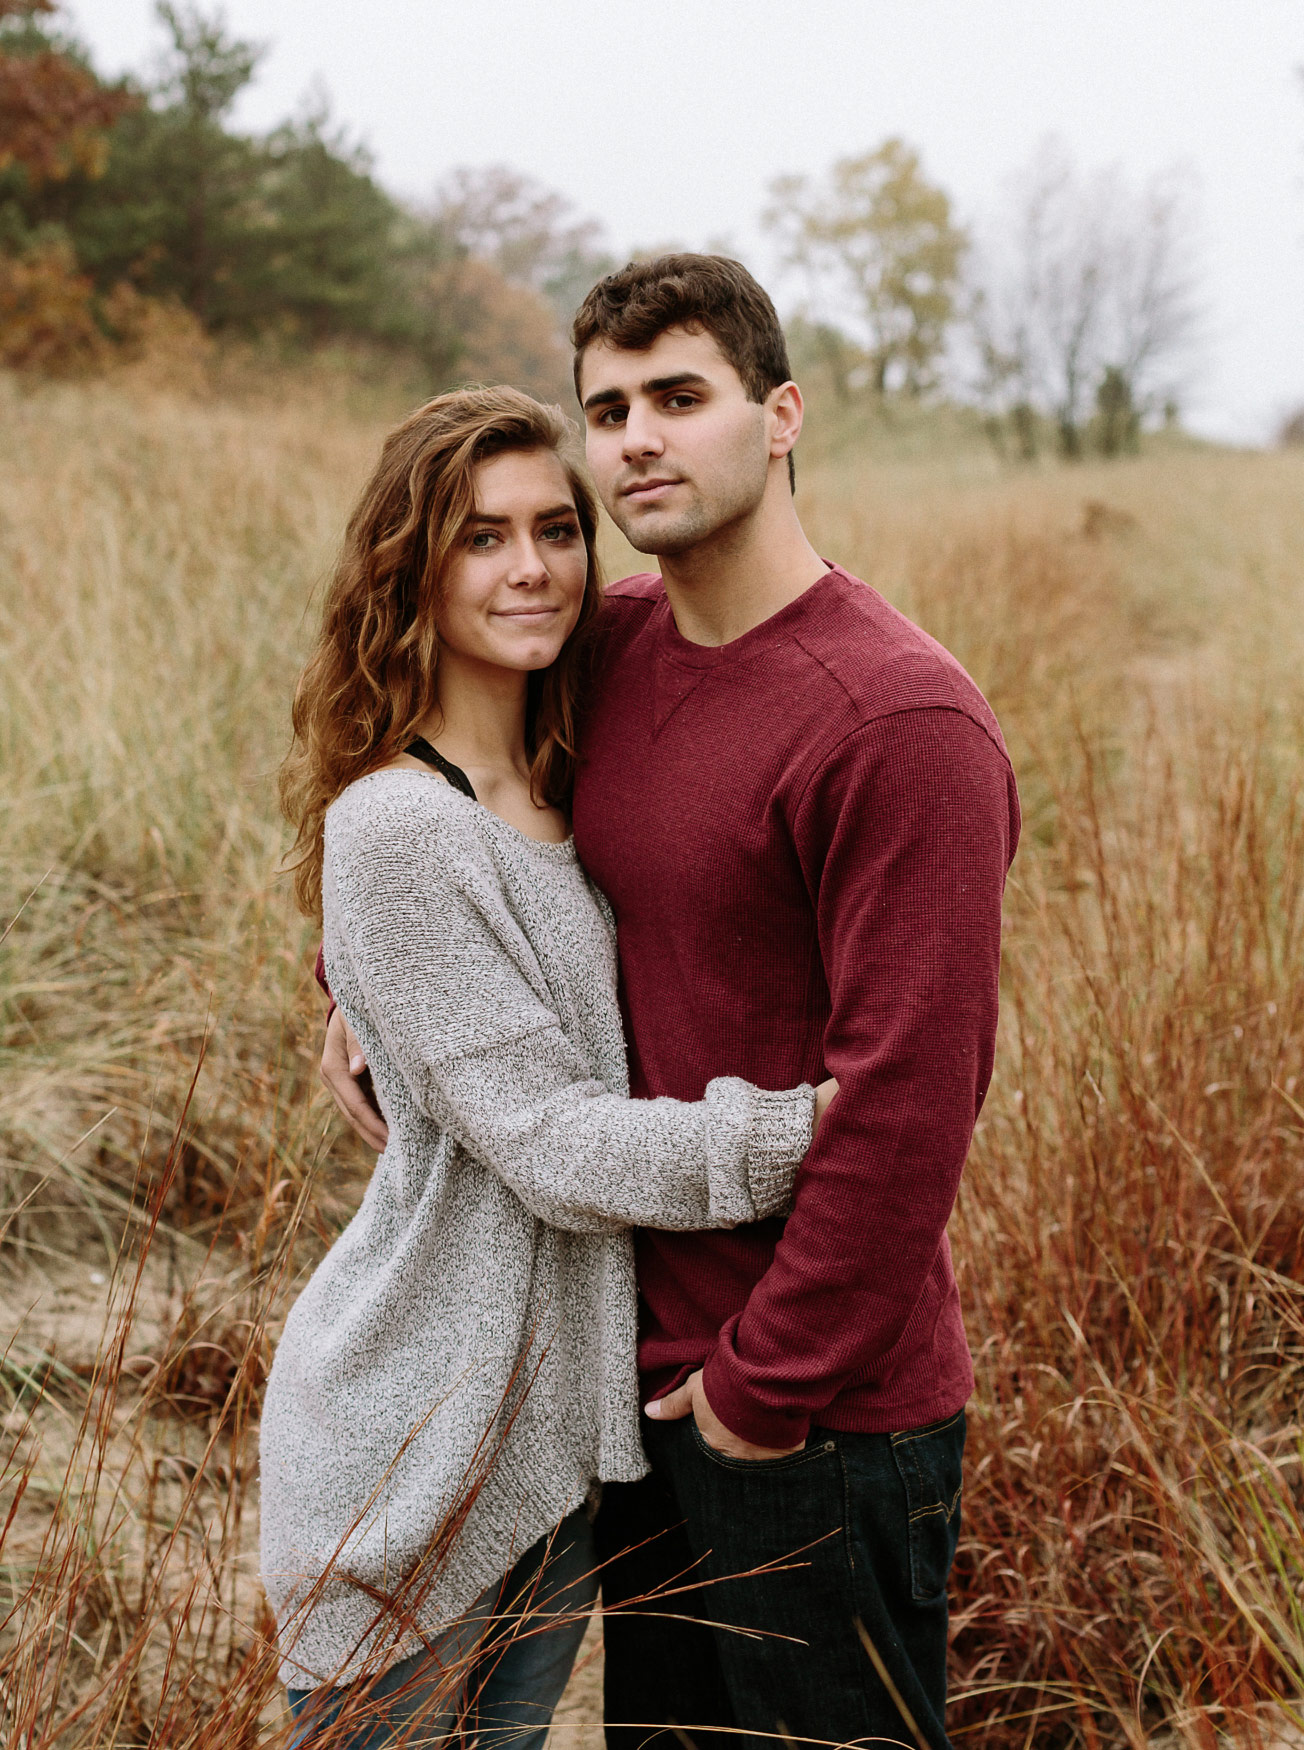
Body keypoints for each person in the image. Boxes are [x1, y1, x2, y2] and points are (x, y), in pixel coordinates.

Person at [321, 256, 1021, 1750]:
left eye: (681, 397)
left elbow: (909, 1105)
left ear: (780, 416)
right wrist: (360, 987)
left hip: (816, 1414)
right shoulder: (611, 648)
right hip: (630, 1393)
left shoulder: (897, 721)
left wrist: (761, 1396)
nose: (638, 435)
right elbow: (462, 845)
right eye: (611, 406)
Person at [260, 385, 836, 1750]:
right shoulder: (399, 823)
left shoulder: (574, 771)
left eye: (557, 528)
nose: (531, 567)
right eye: (480, 536)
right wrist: (805, 1129)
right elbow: (554, 1141)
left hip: (545, 1461)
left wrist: (359, 994)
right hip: (406, 1456)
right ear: (413, 567)